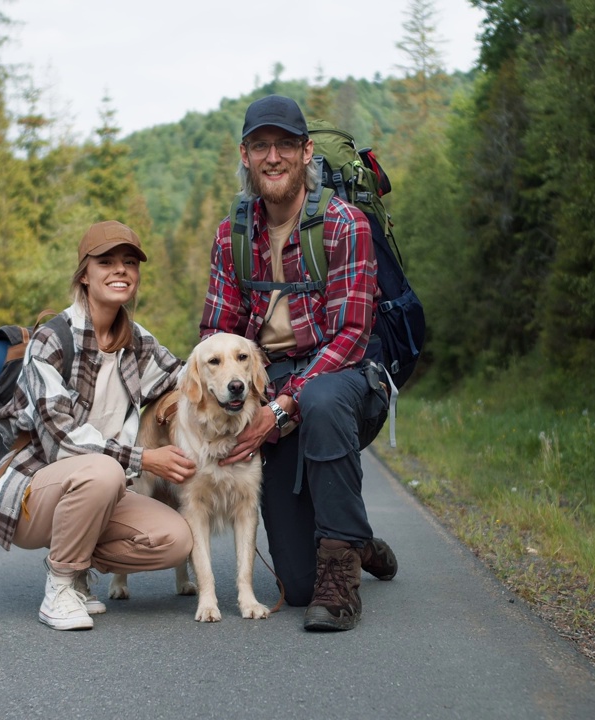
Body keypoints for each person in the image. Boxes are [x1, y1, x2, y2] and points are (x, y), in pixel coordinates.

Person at [200, 95, 399, 632]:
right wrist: (231, 401)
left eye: (285, 144)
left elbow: (352, 336)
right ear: (244, 155)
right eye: (260, 146)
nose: (273, 157)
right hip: (269, 382)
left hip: (345, 378)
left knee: (321, 396)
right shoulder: (231, 235)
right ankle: (354, 539)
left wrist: (281, 410)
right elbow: (217, 336)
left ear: (305, 151)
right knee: (296, 583)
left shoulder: (345, 225)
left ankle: (342, 582)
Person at [0, 220, 196, 631]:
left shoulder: (138, 342)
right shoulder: (52, 340)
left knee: (175, 538)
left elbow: (186, 380)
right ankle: (60, 584)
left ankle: (78, 566)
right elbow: (64, 444)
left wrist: (244, 388)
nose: (120, 270)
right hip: (29, 488)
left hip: (100, 487)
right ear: (84, 275)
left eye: (129, 262)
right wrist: (147, 458)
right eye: (107, 262)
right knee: (102, 468)